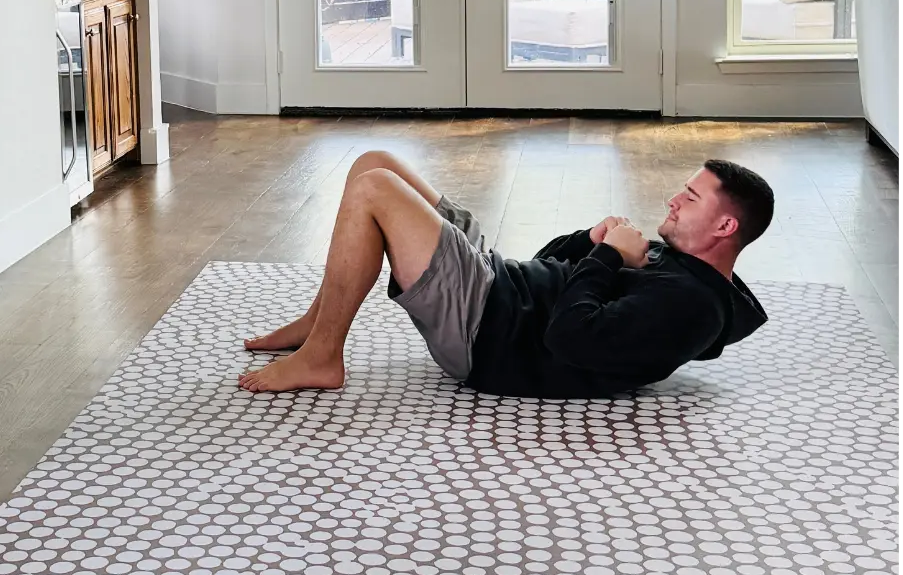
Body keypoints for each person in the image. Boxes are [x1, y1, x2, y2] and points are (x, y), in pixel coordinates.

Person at [239, 152, 772, 399]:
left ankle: (323, 356)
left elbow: (569, 337)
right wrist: (590, 242)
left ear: (725, 226)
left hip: (487, 331)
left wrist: (608, 260)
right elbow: (547, 265)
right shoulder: (679, 263)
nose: (674, 199)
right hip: (499, 282)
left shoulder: (691, 307)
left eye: (690, 197)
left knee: (374, 189)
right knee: (374, 163)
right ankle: (316, 323)